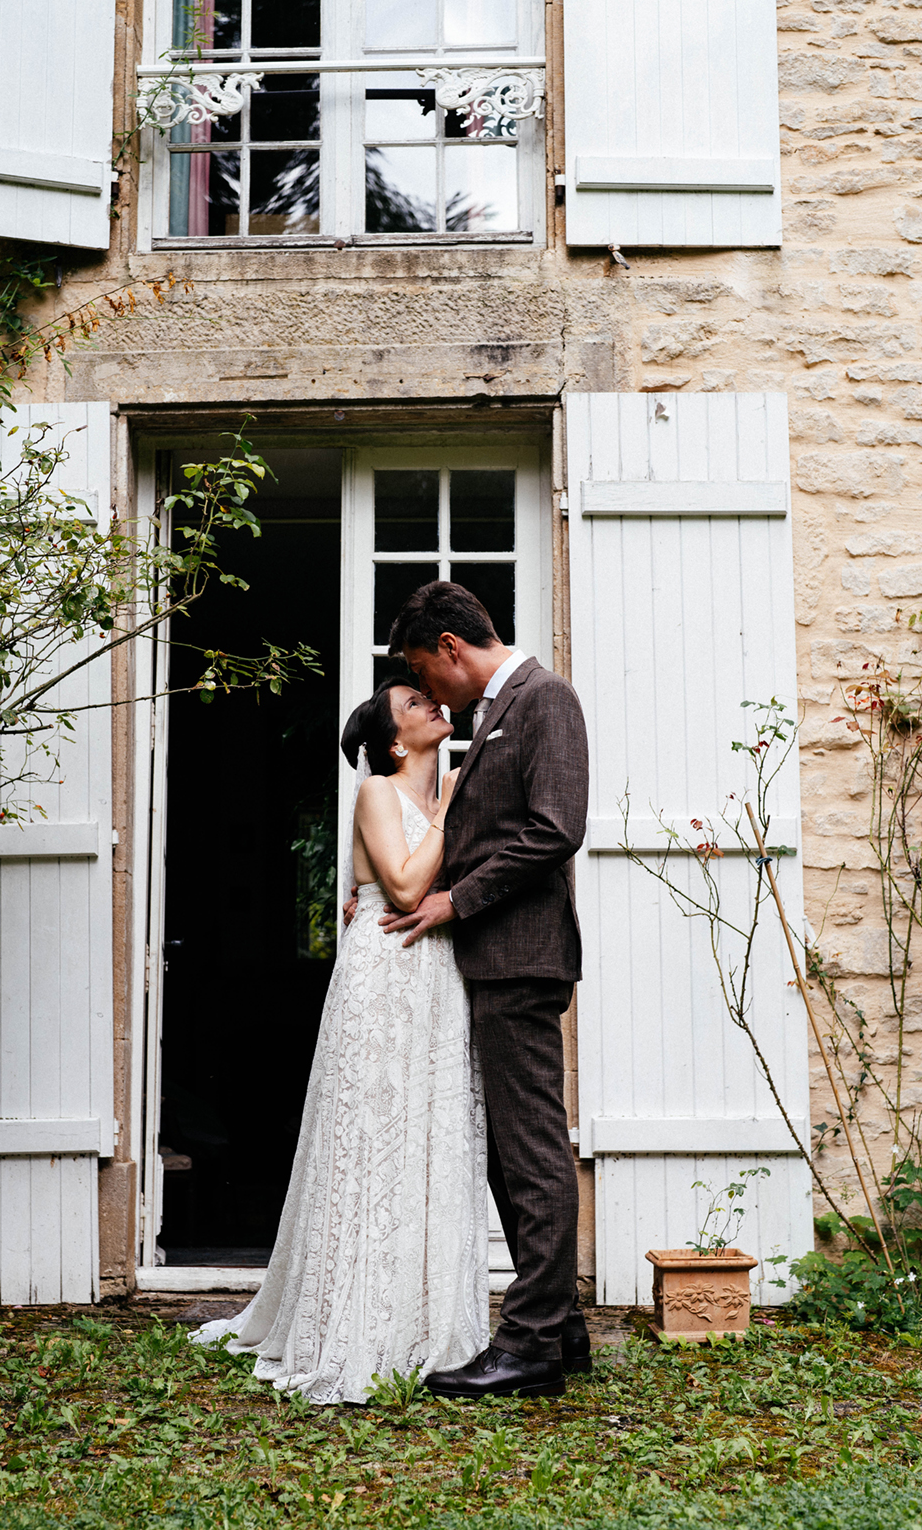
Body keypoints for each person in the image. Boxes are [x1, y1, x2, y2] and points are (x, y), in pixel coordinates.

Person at [189, 678, 490, 1403]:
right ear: (393, 741)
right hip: (383, 971)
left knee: (429, 1134)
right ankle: (356, 1315)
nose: (432, 707)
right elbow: (412, 889)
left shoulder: (456, 779)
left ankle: (427, 1318)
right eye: (415, 705)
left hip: (440, 975)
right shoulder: (379, 794)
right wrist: (449, 810)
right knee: (368, 1135)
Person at [380, 579, 590, 1400]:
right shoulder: (502, 709)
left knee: (531, 1152)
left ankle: (532, 1344)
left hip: (521, 956)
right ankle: (560, 1327)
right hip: (494, 958)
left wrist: (457, 898)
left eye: (424, 676)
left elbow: (555, 827)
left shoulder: (546, 699)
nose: (429, 693)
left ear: (450, 650)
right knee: (511, 1151)